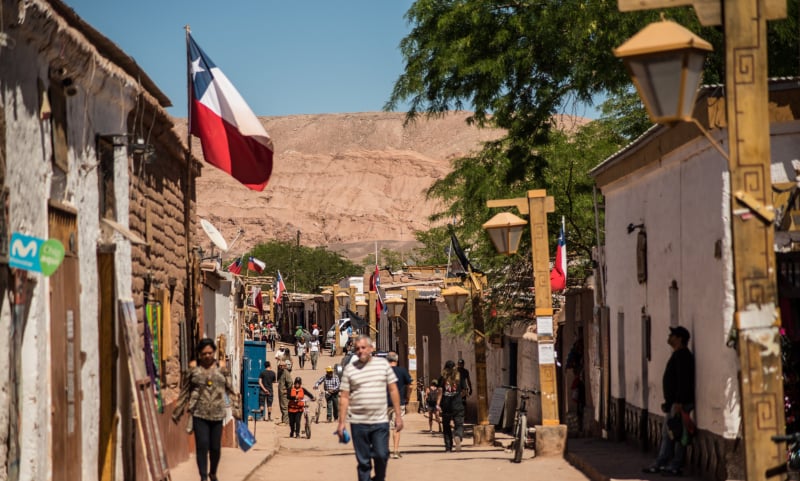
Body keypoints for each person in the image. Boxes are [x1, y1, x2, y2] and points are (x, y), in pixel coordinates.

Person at [172, 338, 240, 481]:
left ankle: (213, 472)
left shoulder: (221, 368)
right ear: (199, 354)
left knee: (215, 447)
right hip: (199, 413)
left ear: (214, 352)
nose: (207, 356)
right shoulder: (193, 369)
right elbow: (185, 391)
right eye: (204, 353)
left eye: (210, 353)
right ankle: (203, 476)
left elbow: (230, 390)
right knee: (202, 445)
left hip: (217, 414)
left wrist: (235, 409)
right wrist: (177, 411)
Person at [337, 335, 403, 481]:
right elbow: (344, 397)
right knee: (364, 462)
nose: (360, 351)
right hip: (358, 422)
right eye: (357, 349)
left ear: (371, 349)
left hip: (380, 421)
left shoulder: (383, 365)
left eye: (363, 347)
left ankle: (379, 478)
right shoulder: (350, 370)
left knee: (381, 455)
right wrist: (341, 423)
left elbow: (393, 389)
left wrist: (398, 416)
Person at [644, 326, 695, 476]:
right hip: (674, 404)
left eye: (672, 335)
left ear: (679, 338)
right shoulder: (678, 355)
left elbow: (683, 381)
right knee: (672, 434)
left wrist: (679, 402)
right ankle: (664, 463)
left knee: (676, 434)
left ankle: (671, 464)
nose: (669, 337)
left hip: (679, 404)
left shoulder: (683, 356)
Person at [437, 360, 467, 452]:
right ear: (454, 368)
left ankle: (448, 447)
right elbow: (464, 390)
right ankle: (457, 435)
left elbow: (440, 391)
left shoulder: (442, 378)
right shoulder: (459, 377)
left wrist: (437, 404)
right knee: (459, 424)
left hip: (446, 405)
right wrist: (458, 396)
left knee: (446, 427)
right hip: (457, 404)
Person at [387, 351, 412, 459]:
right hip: (398, 403)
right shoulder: (402, 371)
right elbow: (410, 386)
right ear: (396, 361)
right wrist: (408, 397)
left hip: (384, 403)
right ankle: (396, 451)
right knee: (396, 427)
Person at [277, 360, 293, 425]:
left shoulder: (286, 373)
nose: (280, 367)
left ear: (284, 366)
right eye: (279, 365)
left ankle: (286, 421)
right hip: (281, 393)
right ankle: (284, 420)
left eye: (281, 366)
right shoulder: (281, 372)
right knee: (282, 406)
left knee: (285, 407)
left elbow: (290, 383)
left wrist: (287, 390)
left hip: (284, 394)